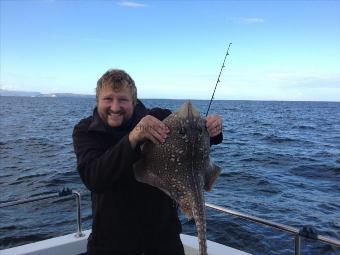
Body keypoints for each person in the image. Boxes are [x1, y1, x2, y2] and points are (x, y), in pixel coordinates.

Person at [72, 69, 223, 255]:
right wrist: (133, 138)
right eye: (108, 99)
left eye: (123, 100)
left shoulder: (160, 117)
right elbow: (94, 178)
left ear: (134, 101)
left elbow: (190, 135)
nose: (115, 106)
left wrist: (212, 129)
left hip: (163, 241)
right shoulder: (86, 131)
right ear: (97, 100)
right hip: (111, 244)